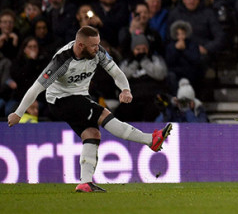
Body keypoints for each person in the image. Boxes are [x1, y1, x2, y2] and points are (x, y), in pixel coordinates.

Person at [6, 26, 172, 192]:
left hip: (81, 97)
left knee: (92, 134)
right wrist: (18, 113)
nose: (97, 48)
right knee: (103, 114)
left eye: (98, 44)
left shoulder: (98, 52)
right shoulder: (62, 60)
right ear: (80, 45)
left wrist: (125, 89)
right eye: (93, 45)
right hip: (60, 100)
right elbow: (36, 88)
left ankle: (85, 183)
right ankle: (150, 140)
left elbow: (116, 73)